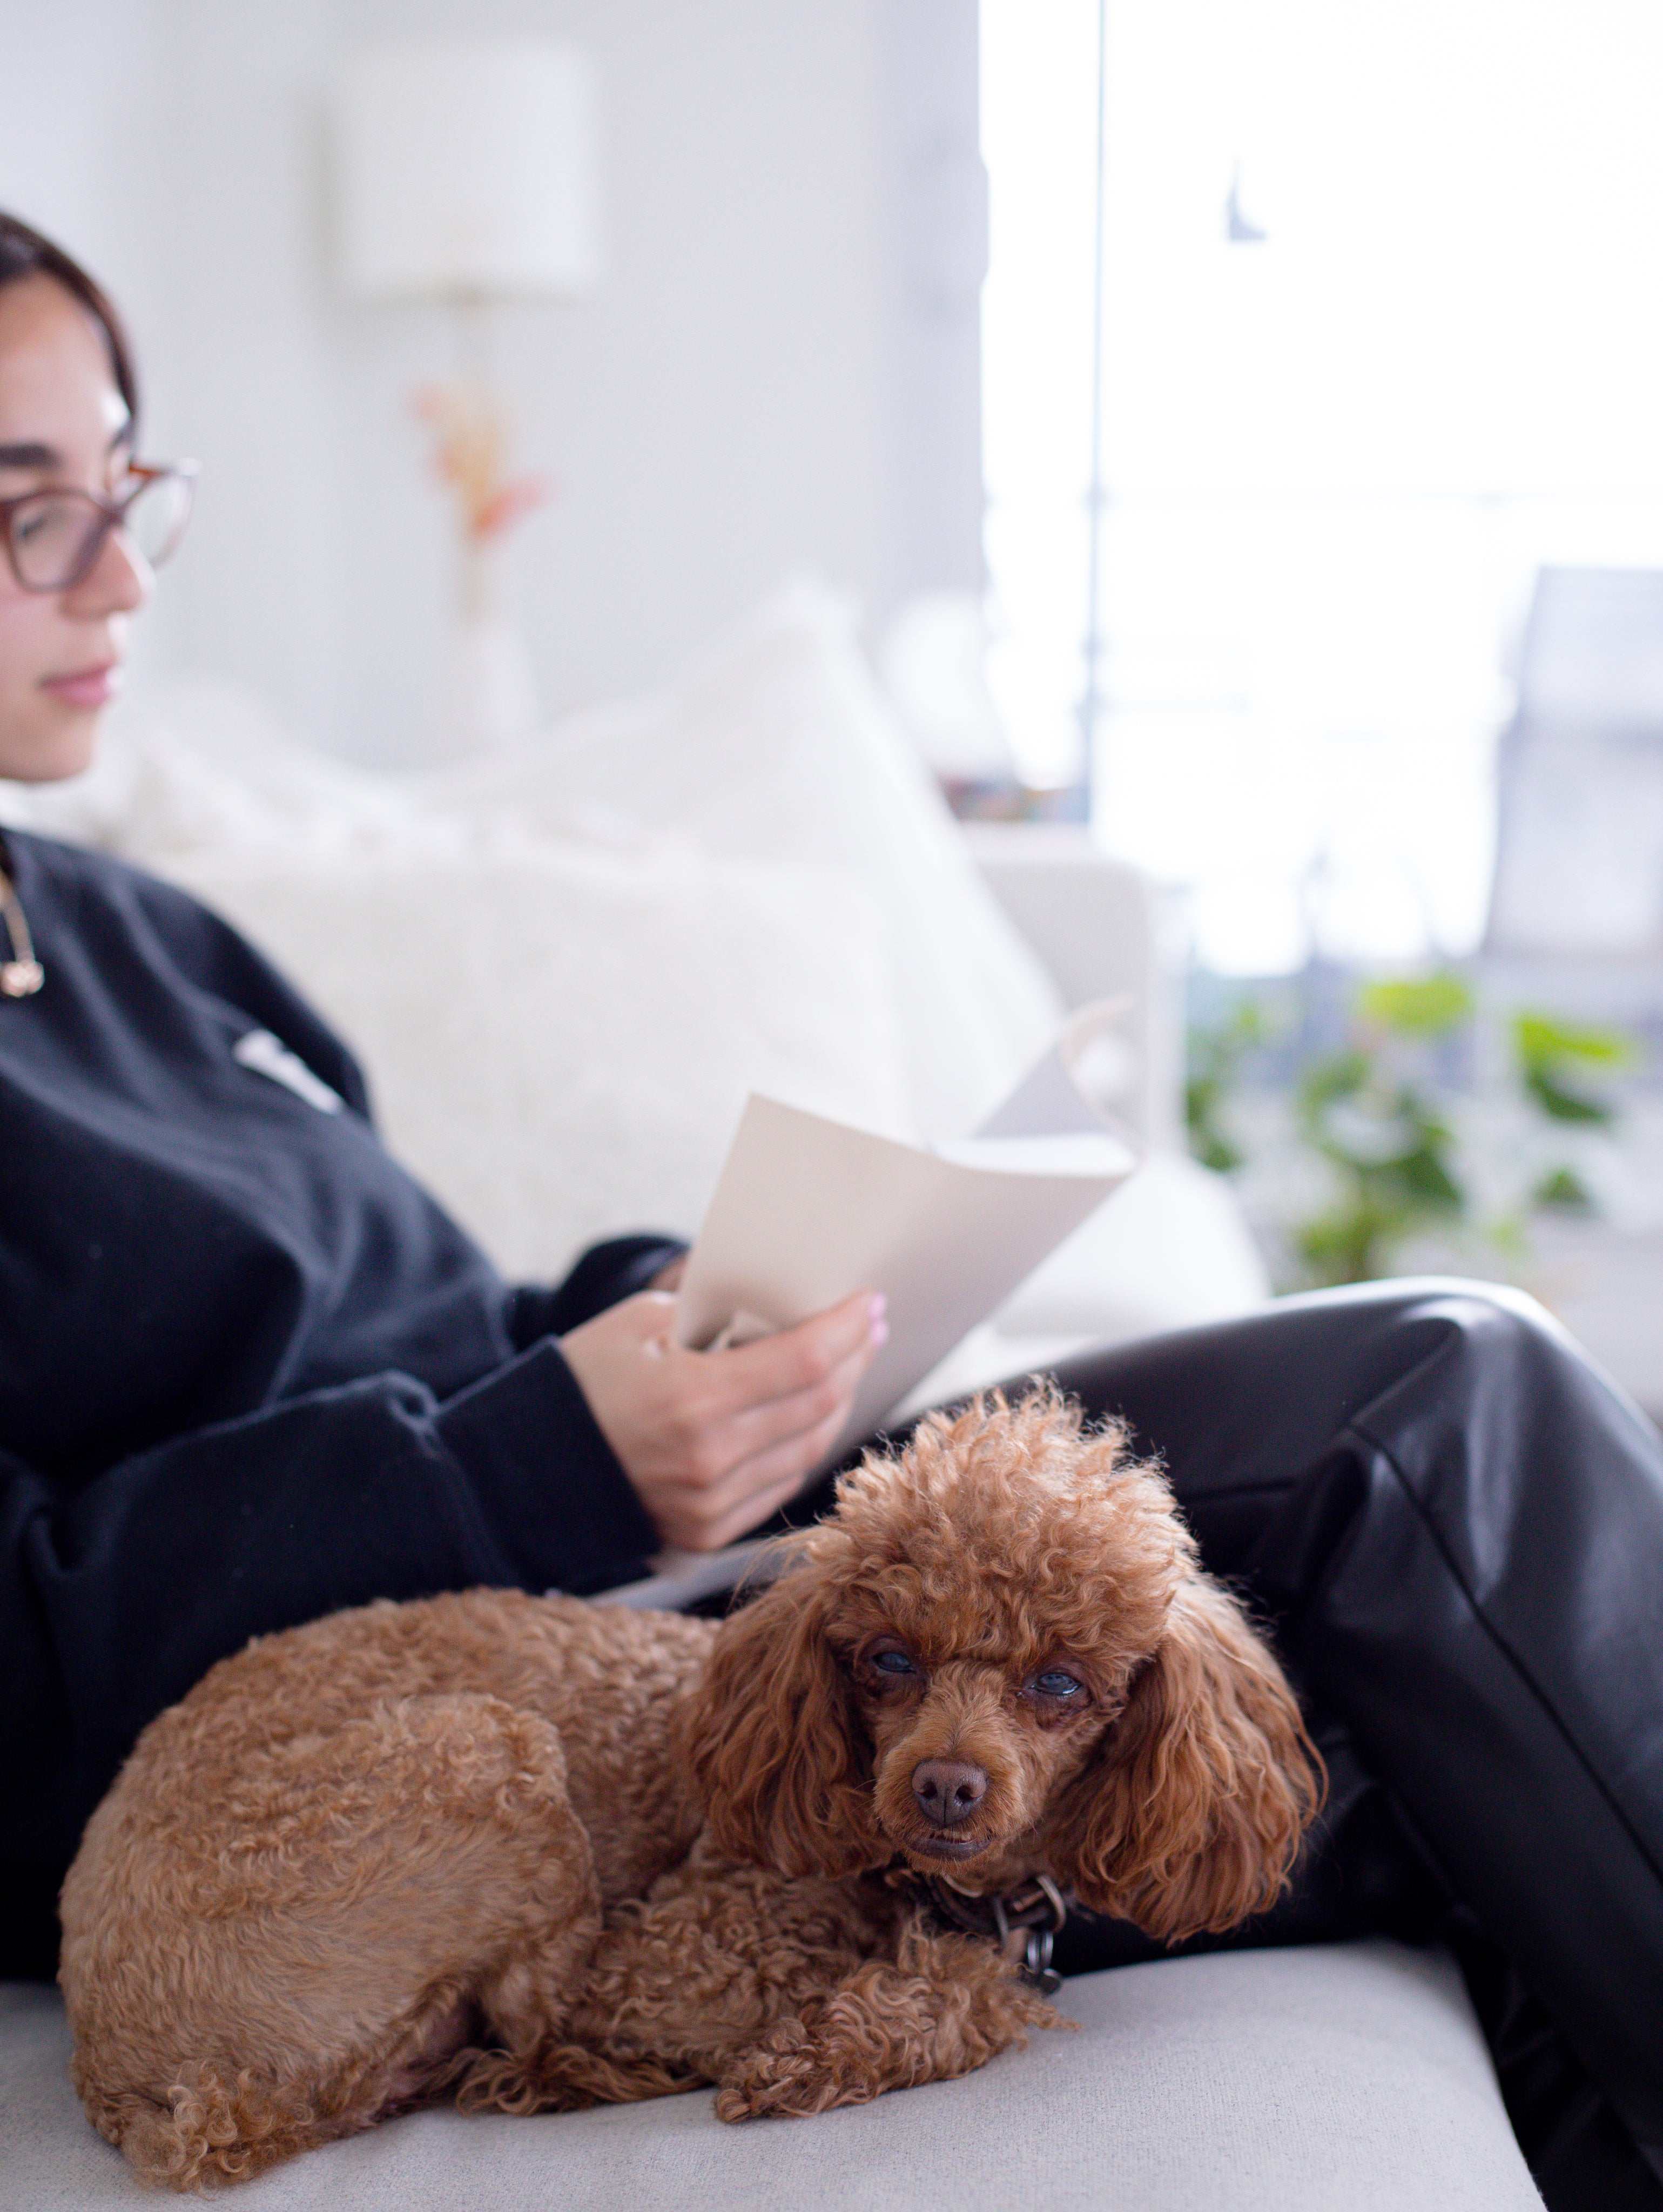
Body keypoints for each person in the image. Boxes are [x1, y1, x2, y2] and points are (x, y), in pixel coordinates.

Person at [0, 212, 1658, 2210]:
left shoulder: (120, 929)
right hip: (454, 1660)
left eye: (126, 494)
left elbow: (440, 1303)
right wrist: (538, 1460)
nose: (114, 581)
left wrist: (674, 1307)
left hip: (616, 1528)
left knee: (1424, 1715)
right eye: (28, 515)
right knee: (1429, 1408)